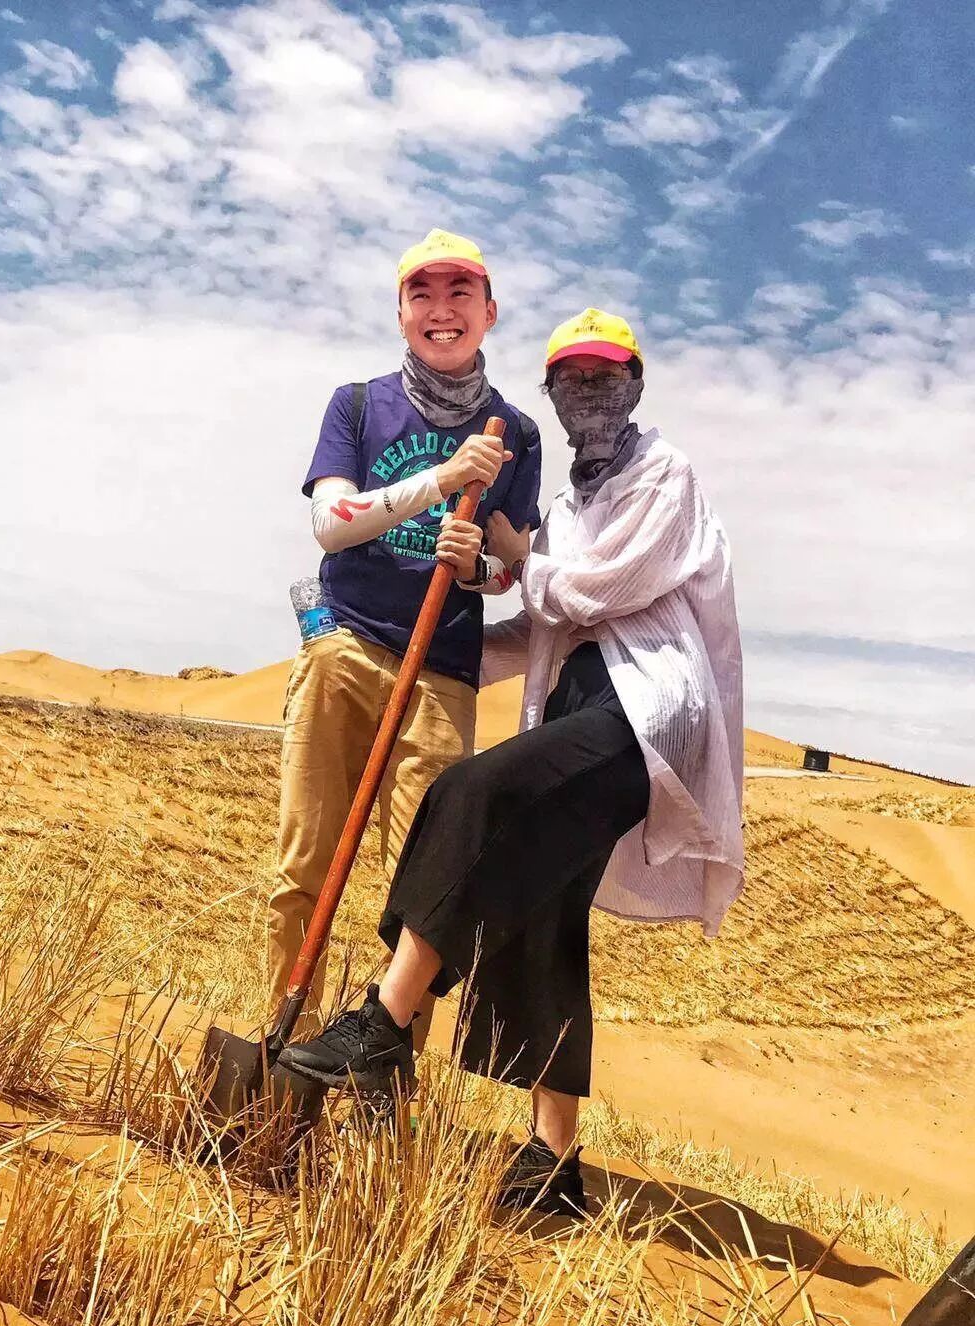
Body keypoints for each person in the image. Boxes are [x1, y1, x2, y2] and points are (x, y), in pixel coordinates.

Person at [278, 308, 745, 1216]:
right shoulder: (568, 507)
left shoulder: (665, 474)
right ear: (553, 394)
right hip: (580, 696)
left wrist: (513, 556)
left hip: (646, 707)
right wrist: (446, 629)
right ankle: (553, 1164)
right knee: (543, 916)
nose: (589, 393)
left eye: (605, 375)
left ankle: (384, 1023)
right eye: (571, 378)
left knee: (472, 791)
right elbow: (540, 626)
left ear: (636, 384)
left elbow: (602, 590)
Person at [266, 229, 543, 1039]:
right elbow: (330, 523)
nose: (441, 309)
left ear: (489, 312)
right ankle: (280, 1044)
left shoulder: (516, 433)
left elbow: (512, 567)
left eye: (460, 293)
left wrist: (474, 568)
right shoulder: (358, 405)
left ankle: (382, 1071)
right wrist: (442, 481)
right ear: (400, 313)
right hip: (346, 650)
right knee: (301, 871)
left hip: (442, 674)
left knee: (421, 900)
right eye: (422, 293)